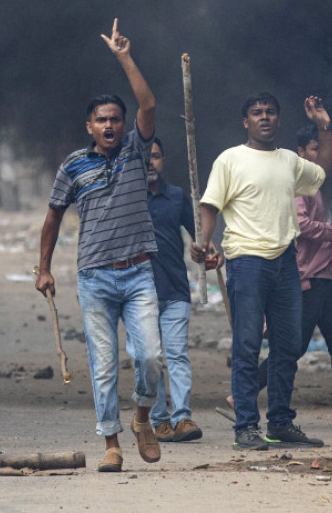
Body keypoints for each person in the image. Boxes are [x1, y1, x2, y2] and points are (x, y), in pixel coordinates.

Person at [36, 19, 162, 473]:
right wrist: (43, 267)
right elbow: (52, 216)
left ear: (124, 125)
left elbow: (148, 103)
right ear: (89, 125)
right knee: (104, 364)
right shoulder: (73, 166)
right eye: (102, 120)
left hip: (138, 271)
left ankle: (142, 418)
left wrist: (124, 57)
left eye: (115, 119)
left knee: (150, 355)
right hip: (93, 277)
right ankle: (111, 443)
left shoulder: (135, 150)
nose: (109, 125)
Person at [192, 93, 332, 451]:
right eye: (256, 113)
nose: (264, 118)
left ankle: (281, 423)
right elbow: (210, 205)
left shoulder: (289, 160)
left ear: (278, 120)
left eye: (271, 112)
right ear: (246, 122)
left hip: (286, 262)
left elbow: (322, 173)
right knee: (247, 347)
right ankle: (245, 427)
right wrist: (206, 242)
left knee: (288, 347)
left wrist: (324, 127)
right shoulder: (230, 159)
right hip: (247, 262)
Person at [244, 124, 332, 429]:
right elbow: (300, 224)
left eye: (320, 150)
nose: (319, 156)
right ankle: (241, 394)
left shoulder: (312, 185)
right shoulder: (298, 184)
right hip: (307, 277)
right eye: (314, 149)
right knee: (295, 347)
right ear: (300, 153)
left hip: (321, 276)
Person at [145, 138, 202, 443]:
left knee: (177, 354)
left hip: (176, 290)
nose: (149, 162)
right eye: (144, 157)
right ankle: (158, 420)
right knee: (150, 359)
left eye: (154, 156)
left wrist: (205, 250)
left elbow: (200, 235)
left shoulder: (178, 197)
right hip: (139, 295)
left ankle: (182, 418)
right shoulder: (128, 199)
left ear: (162, 160)